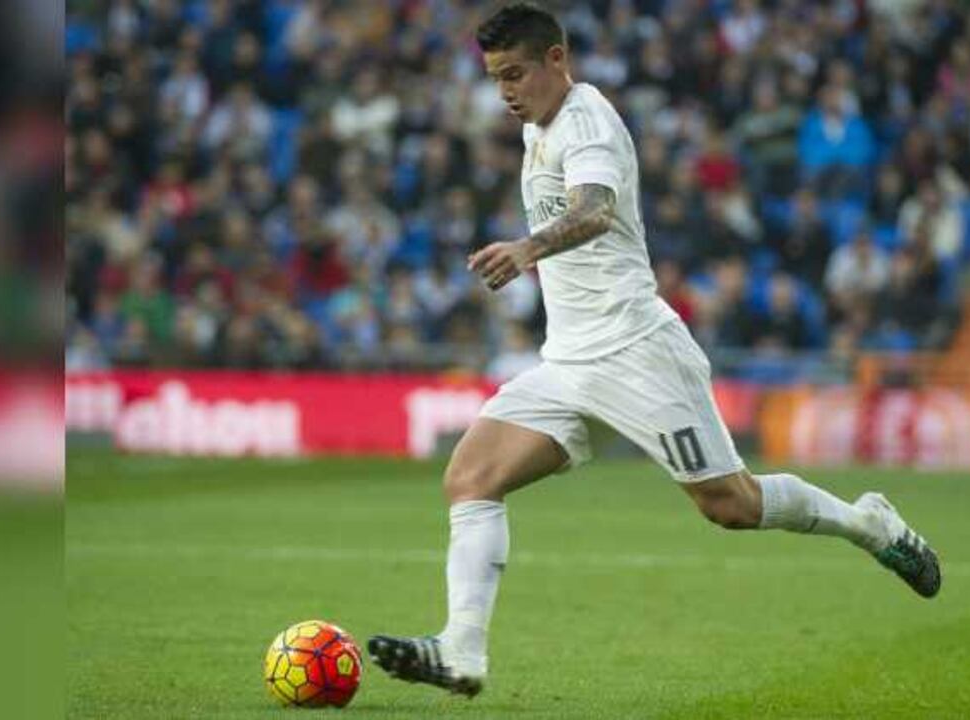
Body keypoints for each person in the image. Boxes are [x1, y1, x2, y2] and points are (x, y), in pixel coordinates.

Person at [367, 3, 940, 699]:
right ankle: (461, 650)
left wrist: (527, 250)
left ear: (557, 59)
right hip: (570, 362)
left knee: (729, 504)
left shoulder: (586, 119)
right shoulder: (538, 126)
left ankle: (867, 522)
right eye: (494, 79)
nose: (506, 92)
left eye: (516, 74)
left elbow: (596, 208)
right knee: (469, 478)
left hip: (638, 351)